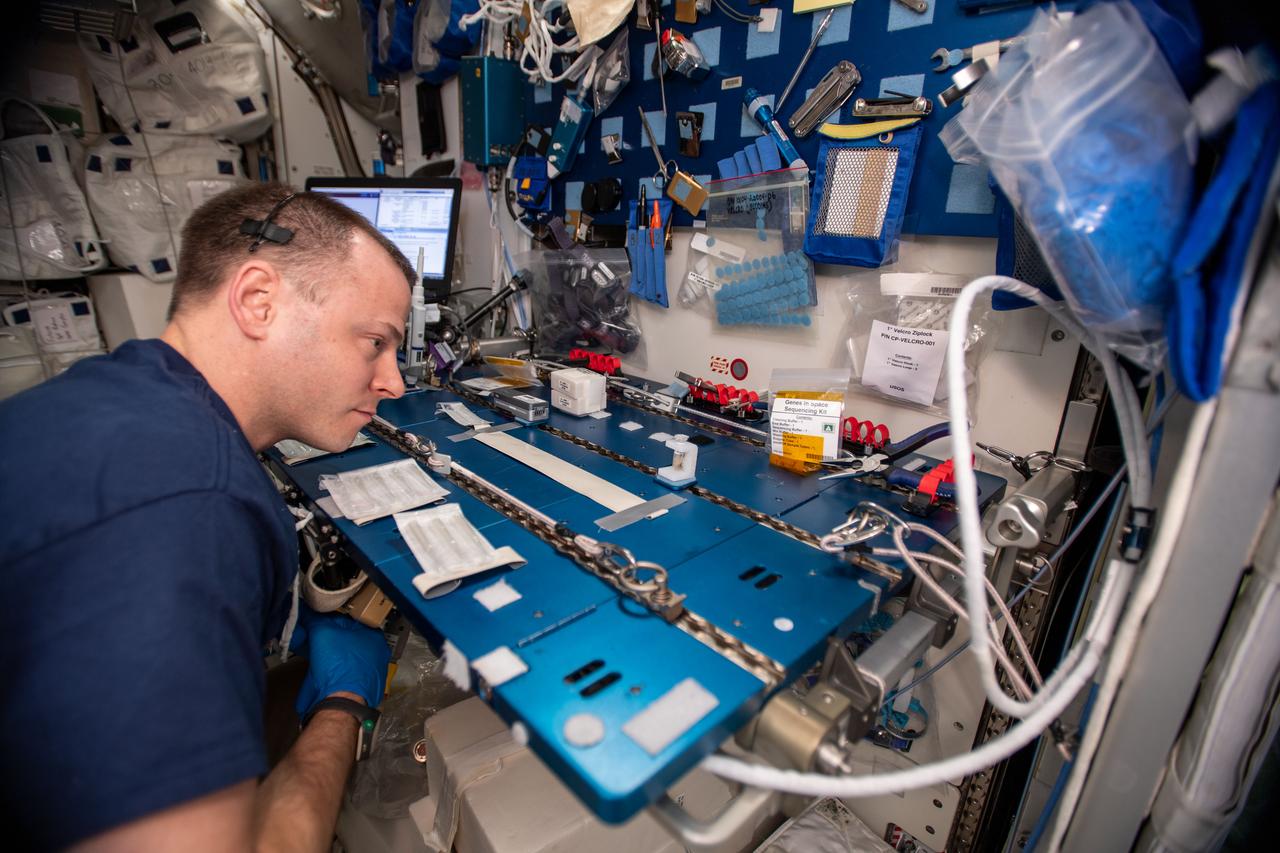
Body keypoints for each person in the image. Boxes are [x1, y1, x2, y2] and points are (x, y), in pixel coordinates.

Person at [0, 181, 416, 851]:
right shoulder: (188, 506)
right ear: (259, 300)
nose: (393, 380)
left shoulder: (122, 394)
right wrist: (343, 707)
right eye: (374, 342)